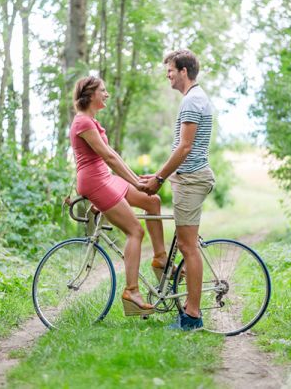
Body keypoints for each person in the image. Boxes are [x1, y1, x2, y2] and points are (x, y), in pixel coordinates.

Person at [70, 76, 170, 317]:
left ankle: (161, 260)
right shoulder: (82, 123)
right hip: (96, 183)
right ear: (90, 94)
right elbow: (109, 158)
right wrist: (135, 181)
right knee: (135, 231)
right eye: (103, 91)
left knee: (153, 201)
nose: (106, 94)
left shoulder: (91, 121)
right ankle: (131, 292)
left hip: (106, 178)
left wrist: (136, 178)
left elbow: (114, 155)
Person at [140, 49, 215, 332]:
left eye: (170, 69)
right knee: (185, 243)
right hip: (187, 178)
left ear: (184, 71)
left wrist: (159, 178)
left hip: (192, 179)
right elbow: (181, 147)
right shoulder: (192, 99)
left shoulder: (193, 100)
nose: (167, 74)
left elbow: (185, 147)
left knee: (187, 246)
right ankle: (183, 300)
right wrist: (159, 174)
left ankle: (192, 316)